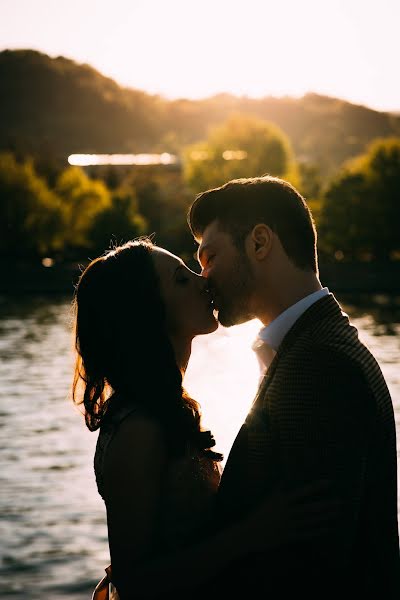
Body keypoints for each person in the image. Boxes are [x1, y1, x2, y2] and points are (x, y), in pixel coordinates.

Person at [72, 238, 338, 600]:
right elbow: (136, 581)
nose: (203, 280)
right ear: (148, 311)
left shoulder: (162, 409)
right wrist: (254, 532)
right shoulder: (139, 429)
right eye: (182, 280)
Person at [187, 174, 400, 597]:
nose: (203, 277)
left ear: (260, 243)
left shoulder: (321, 365)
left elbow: (310, 566)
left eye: (209, 257)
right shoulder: (316, 346)